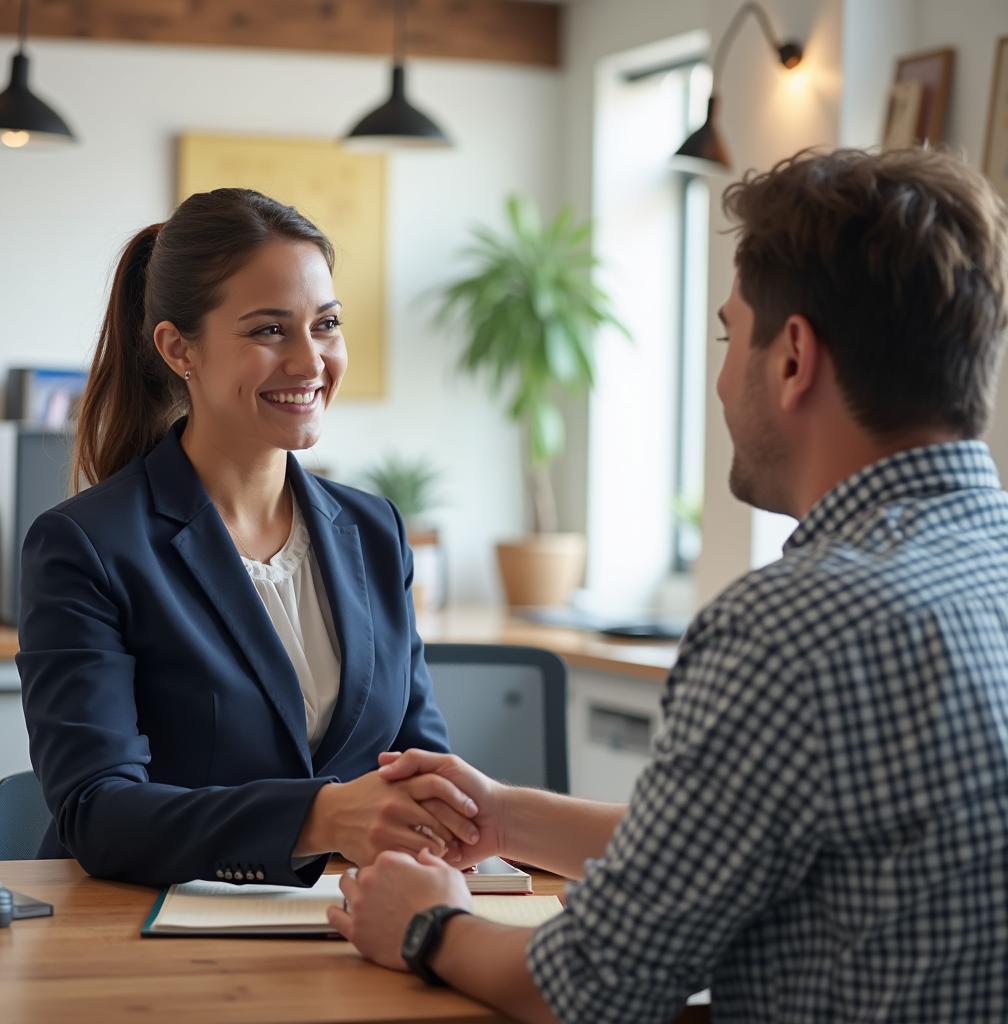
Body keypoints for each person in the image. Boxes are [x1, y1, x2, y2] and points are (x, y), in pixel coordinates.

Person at [328, 147, 1008, 1022]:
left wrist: (428, 927)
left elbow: (590, 987)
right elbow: (732, 847)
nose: (723, 381)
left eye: (730, 336)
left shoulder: (796, 626)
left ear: (794, 356)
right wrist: (504, 817)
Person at [17, 188, 480, 888]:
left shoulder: (373, 531)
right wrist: (320, 817)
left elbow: (418, 766)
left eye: (325, 324)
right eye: (269, 331)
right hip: (147, 942)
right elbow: (98, 811)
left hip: (355, 924)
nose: (309, 361)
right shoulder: (86, 546)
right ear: (179, 349)